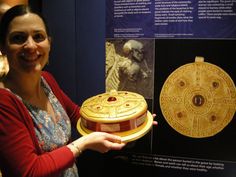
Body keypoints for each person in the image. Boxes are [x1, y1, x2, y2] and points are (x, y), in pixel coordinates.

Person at [0, 5, 127, 177]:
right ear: (3, 47)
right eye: (18, 38)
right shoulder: (4, 102)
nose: (30, 46)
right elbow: (29, 171)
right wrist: (82, 144)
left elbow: (79, 117)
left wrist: (130, 120)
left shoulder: (47, 80)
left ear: (49, 44)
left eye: (38, 37)